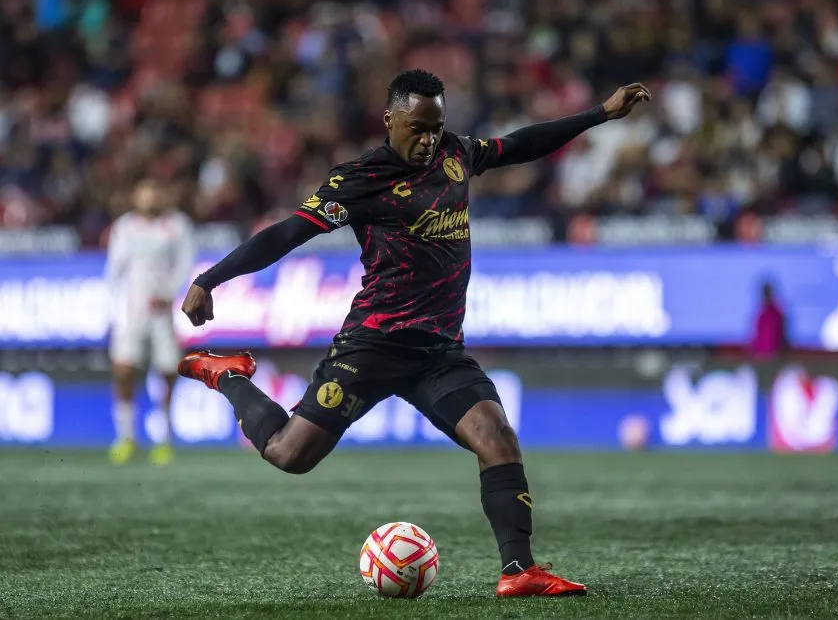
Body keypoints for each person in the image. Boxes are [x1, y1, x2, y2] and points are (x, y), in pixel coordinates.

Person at [178, 69, 650, 597]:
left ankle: (519, 571)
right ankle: (228, 377)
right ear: (390, 121)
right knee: (291, 454)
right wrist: (210, 278)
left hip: (439, 350)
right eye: (418, 128)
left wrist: (600, 115)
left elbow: (519, 145)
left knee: (498, 438)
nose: (428, 141)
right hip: (374, 344)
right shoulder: (359, 180)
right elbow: (288, 233)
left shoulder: (456, 153)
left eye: (436, 128)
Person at [105, 178, 196, 465]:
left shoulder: (177, 226)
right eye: (144, 194)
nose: (150, 199)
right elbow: (114, 269)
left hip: (162, 311)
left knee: (168, 372)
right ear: (135, 197)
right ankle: (126, 437)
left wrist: (169, 293)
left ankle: (164, 439)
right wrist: (114, 308)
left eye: (154, 193)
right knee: (123, 370)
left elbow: (185, 263)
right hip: (131, 310)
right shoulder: (124, 227)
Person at [750, 280, 788, 361]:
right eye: (764, 293)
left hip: (774, 356)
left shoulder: (778, 312)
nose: (765, 295)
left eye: (767, 293)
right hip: (759, 356)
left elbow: (783, 336)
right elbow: (756, 336)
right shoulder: (761, 313)